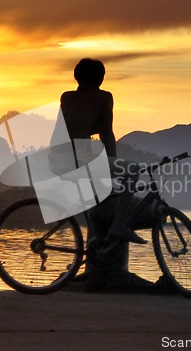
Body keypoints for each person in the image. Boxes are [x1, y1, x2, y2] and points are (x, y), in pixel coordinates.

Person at [56, 58, 147, 245]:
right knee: (133, 170)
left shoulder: (66, 97)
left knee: (100, 193)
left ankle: (97, 241)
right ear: (101, 79)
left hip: (59, 159)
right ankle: (119, 226)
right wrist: (113, 162)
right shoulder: (104, 97)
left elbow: (75, 127)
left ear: (76, 77)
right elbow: (107, 133)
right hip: (80, 158)